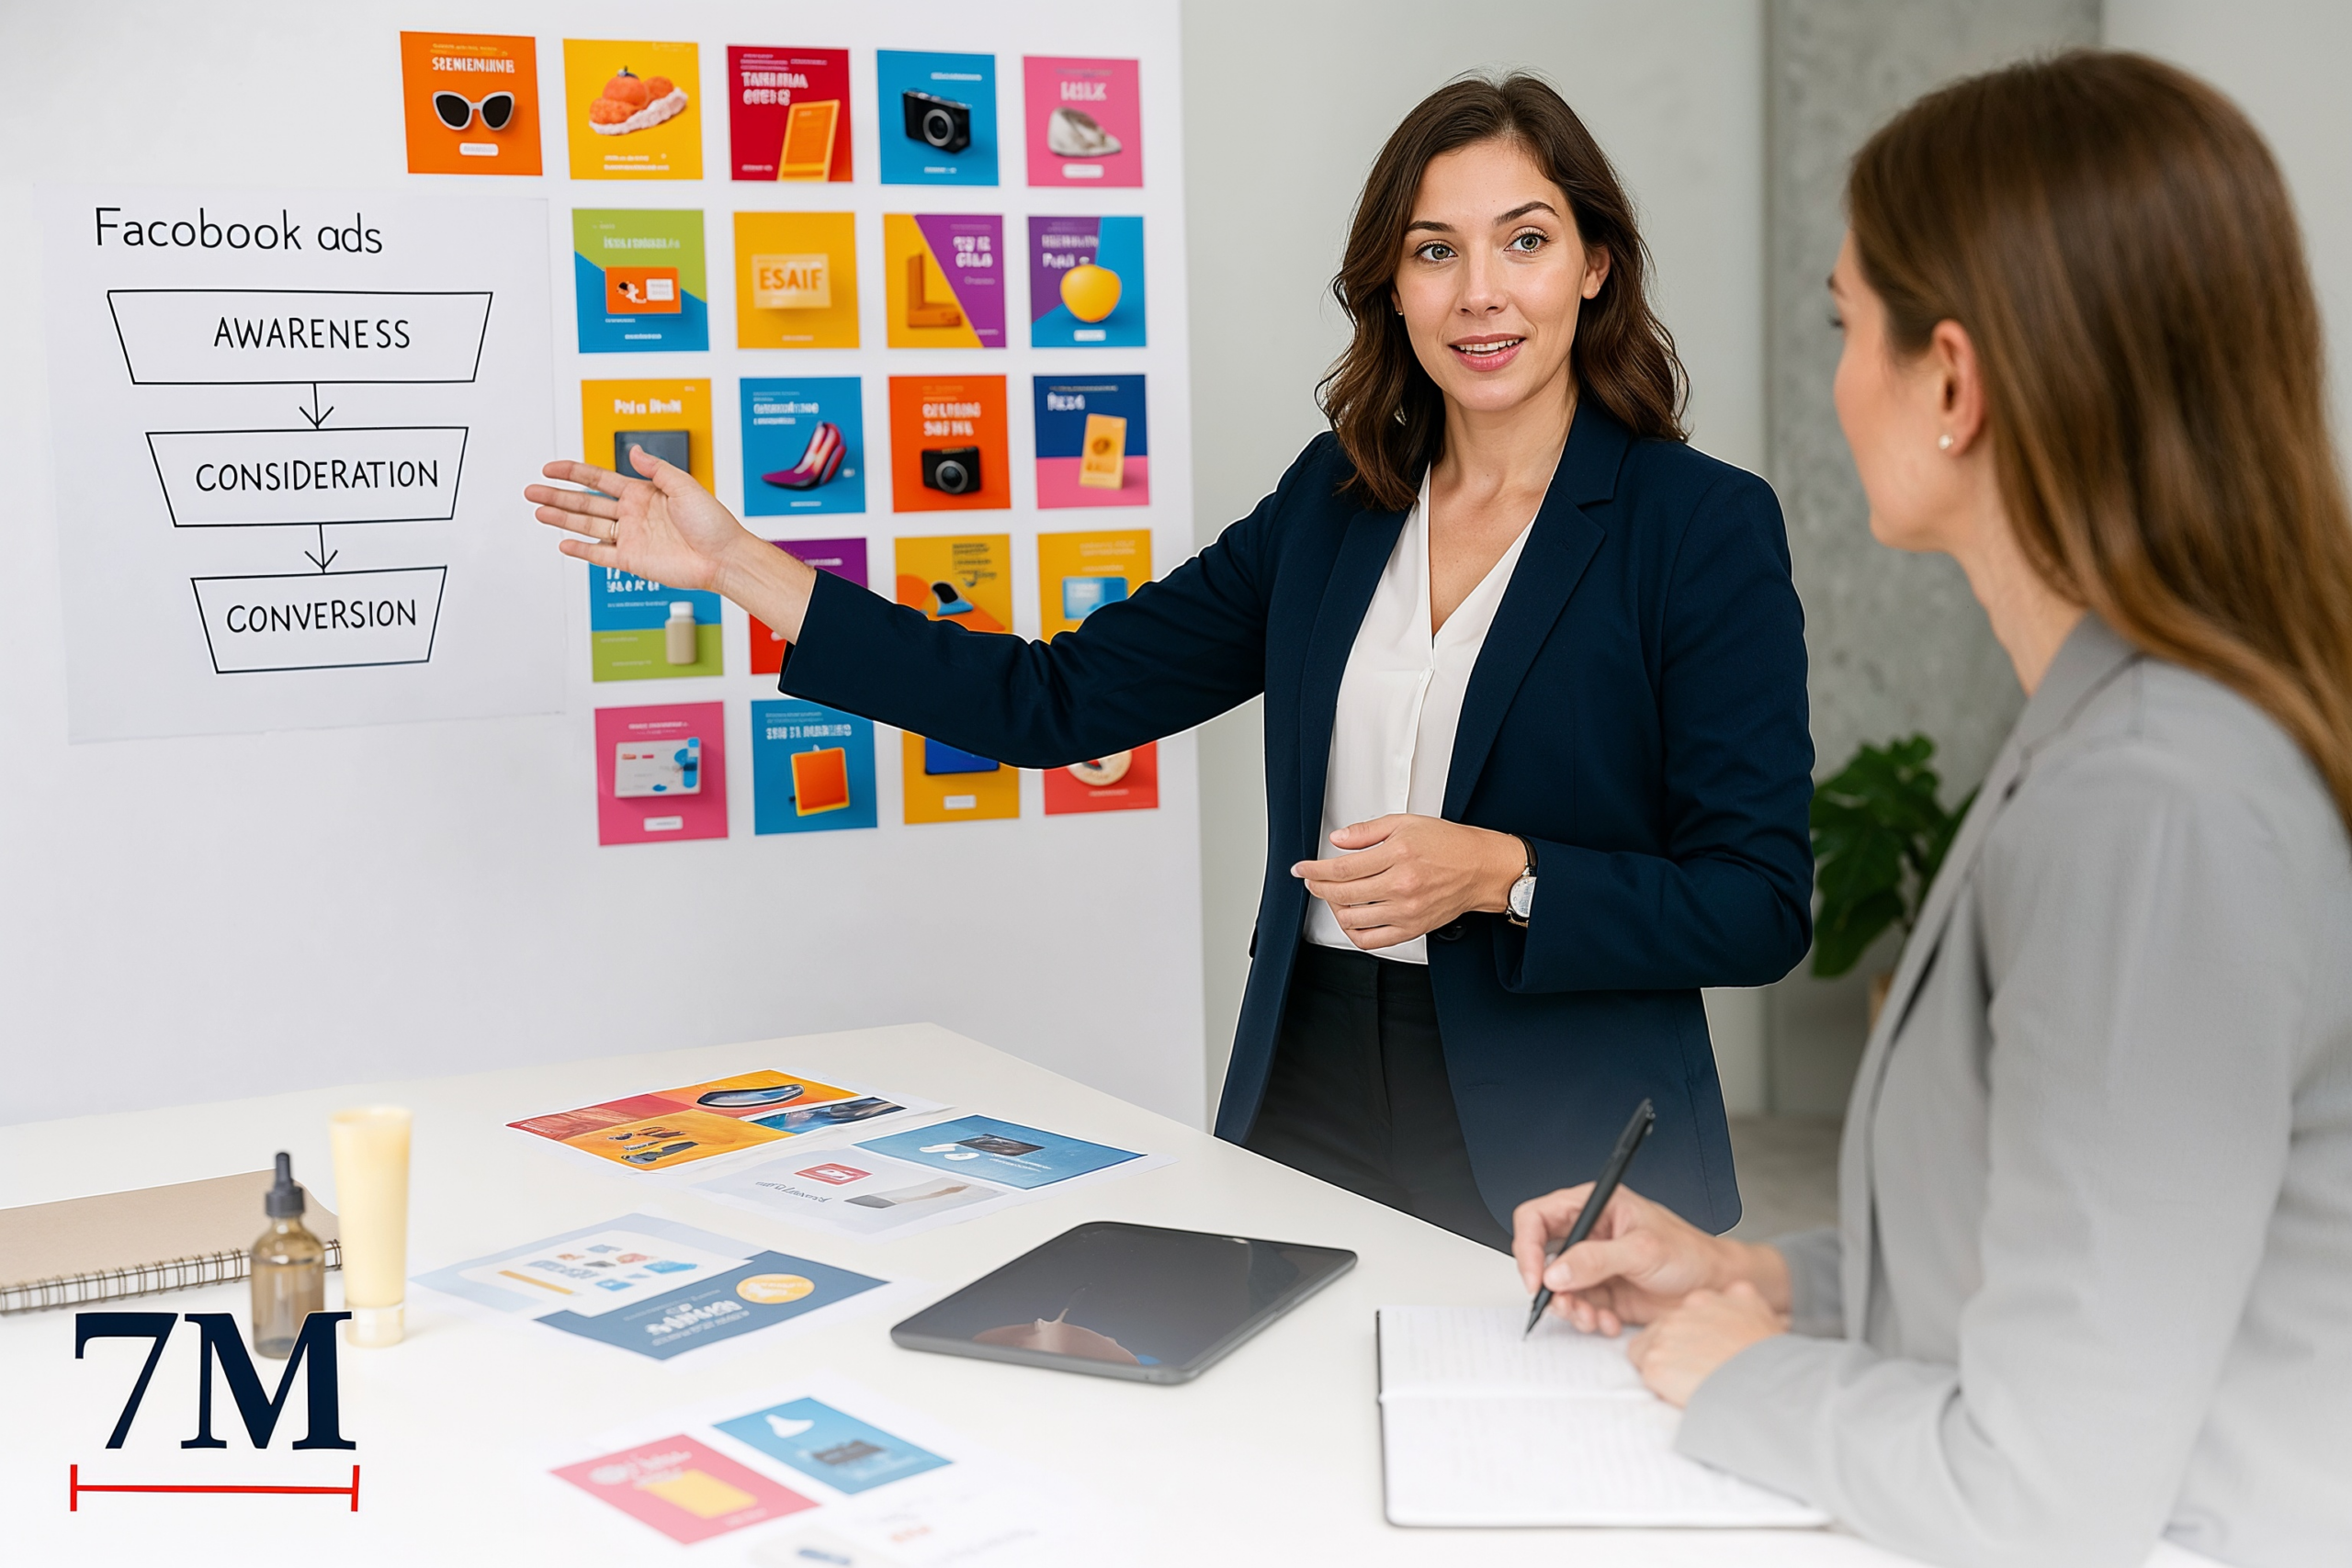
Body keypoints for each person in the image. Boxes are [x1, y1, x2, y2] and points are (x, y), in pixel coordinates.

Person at [526, 75, 1814, 1249]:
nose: (1481, 292)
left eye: (1524, 241)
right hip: (1305, 1084)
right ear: (1393, 285)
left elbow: (1757, 900)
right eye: (1436, 251)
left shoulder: (1696, 526)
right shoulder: (1338, 502)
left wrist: (1504, 873)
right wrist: (747, 567)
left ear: (1594, 263)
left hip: (1566, 1129)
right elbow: (1057, 697)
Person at [1512, 51, 2352, 1566]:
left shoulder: (2153, 802)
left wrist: (1754, 1382)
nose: (1836, 377)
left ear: (1952, 380)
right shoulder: (2117, 733)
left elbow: (2046, 1488)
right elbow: (2084, 1266)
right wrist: (1758, 1275)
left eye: (1849, 326)